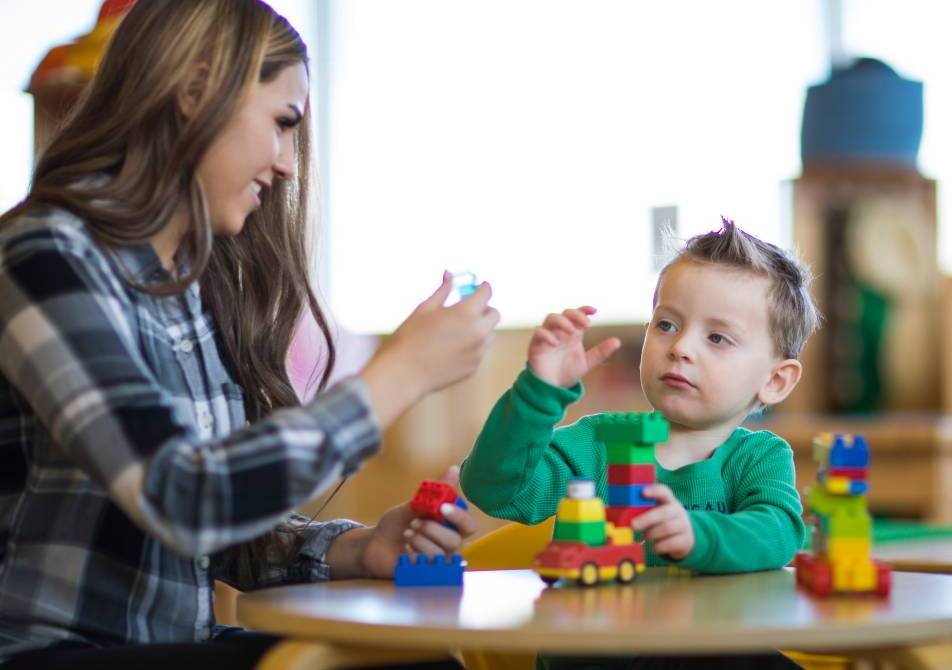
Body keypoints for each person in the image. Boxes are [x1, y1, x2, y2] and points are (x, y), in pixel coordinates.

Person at [0, 1, 498, 668]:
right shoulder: (42, 255)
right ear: (195, 91)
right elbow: (180, 497)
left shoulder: (185, 283)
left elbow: (214, 523)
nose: (289, 164)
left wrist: (358, 549)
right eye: (281, 123)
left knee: (415, 659)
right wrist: (399, 374)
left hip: (175, 643)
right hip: (52, 653)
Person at [460, 218, 820, 670]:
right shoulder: (598, 443)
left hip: (714, 651)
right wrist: (539, 392)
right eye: (667, 324)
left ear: (775, 379)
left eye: (717, 337)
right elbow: (494, 489)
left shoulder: (759, 458)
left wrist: (696, 535)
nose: (681, 347)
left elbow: (780, 533)